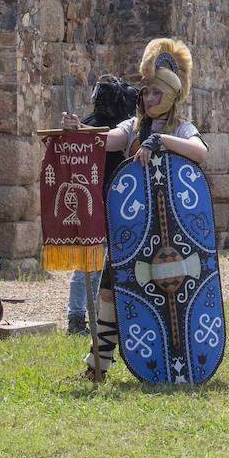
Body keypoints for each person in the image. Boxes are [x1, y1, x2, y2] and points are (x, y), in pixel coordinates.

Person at [67, 39, 207, 382]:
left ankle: (179, 361)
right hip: (133, 226)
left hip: (173, 231)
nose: (148, 98)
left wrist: (160, 142)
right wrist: (82, 133)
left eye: (156, 93)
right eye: (146, 93)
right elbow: (108, 138)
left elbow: (200, 153)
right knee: (108, 290)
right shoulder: (133, 126)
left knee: (171, 292)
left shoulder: (182, 128)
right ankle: (97, 365)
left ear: (172, 96)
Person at [65, 74, 140, 336]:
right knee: (91, 260)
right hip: (98, 198)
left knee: (99, 261)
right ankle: (79, 317)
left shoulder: (106, 126)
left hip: (108, 198)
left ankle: (90, 316)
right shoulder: (95, 127)